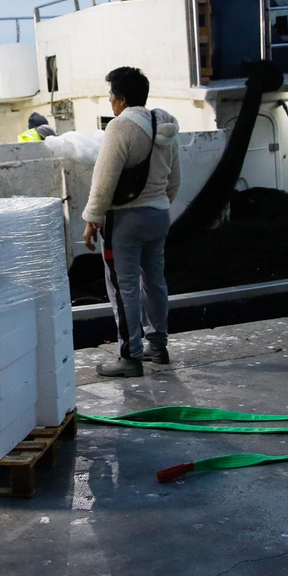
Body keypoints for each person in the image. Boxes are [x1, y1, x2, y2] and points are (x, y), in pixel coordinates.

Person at [81, 66, 181, 377]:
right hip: (159, 215)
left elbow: (104, 180)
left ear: (122, 100)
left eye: (111, 96)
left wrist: (92, 219)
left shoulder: (121, 128)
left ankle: (130, 356)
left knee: (123, 287)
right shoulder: (163, 125)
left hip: (127, 221)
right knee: (154, 281)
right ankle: (158, 346)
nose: (110, 102)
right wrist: (158, 203)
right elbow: (174, 179)